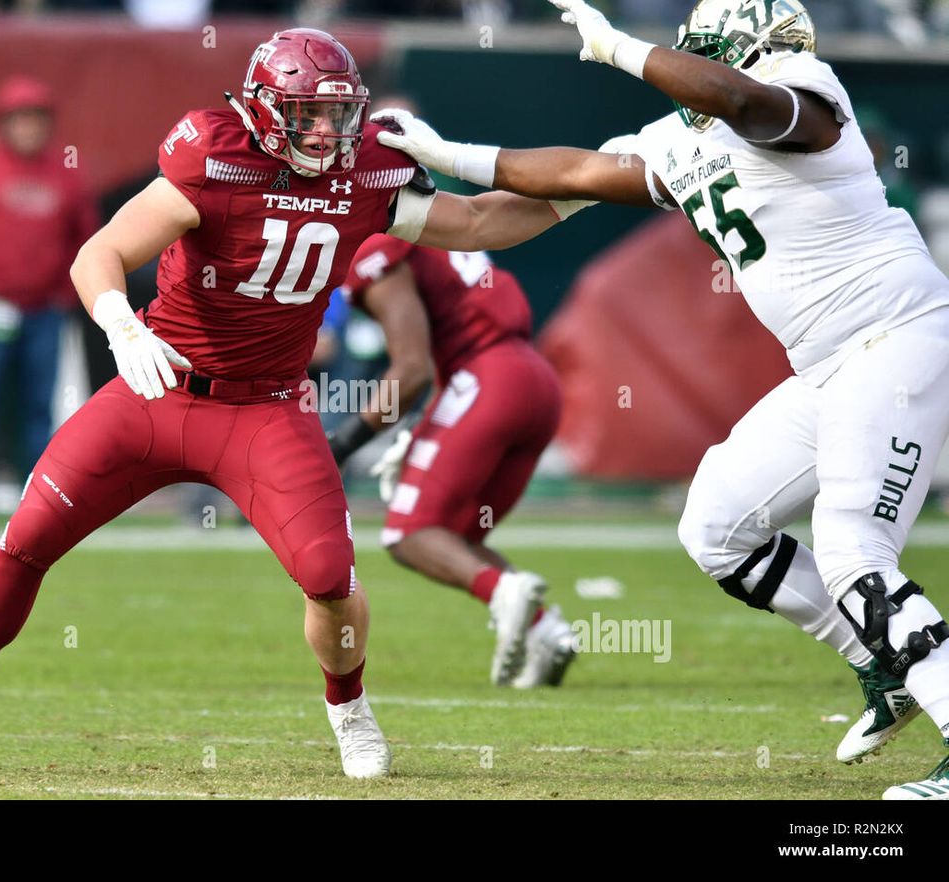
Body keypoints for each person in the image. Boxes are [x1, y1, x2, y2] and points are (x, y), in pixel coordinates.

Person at [0, 28, 596, 779]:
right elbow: (97, 254)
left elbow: (482, 221)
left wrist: (592, 189)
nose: (329, 133)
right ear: (265, 109)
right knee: (26, 537)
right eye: (310, 114)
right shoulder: (214, 156)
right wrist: (121, 323)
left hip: (264, 409)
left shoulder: (365, 174)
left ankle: (349, 707)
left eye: (340, 115)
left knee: (330, 576)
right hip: (158, 390)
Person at [376, 0, 949, 799]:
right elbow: (519, 202)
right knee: (716, 524)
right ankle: (881, 665)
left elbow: (744, 102)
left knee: (853, 545)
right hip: (829, 365)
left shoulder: (800, 91)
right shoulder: (675, 146)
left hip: (898, 335)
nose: (777, 58)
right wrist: (421, 181)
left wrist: (618, 49)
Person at [332, 235, 576, 687]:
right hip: (531, 378)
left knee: (409, 534)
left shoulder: (374, 243)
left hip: (486, 380)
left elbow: (411, 370)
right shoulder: (431, 216)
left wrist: (341, 444)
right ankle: (547, 631)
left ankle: (504, 591)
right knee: (455, 536)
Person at [0, 75, 99, 515]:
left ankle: (38, 499)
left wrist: (65, 295)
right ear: (3, 123)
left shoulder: (67, 173)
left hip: (43, 312)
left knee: (38, 406)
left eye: (35, 119)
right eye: (19, 119)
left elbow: (88, 240)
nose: (28, 128)